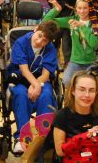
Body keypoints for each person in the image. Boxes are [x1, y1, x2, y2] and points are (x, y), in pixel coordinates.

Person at [6, 20, 60, 155]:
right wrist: (34, 85)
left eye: (45, 40)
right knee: (20, 94)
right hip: (20, 78)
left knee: (47, 95)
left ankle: (43, 138)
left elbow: (46, 74)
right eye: (40, 35)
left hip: (41, 80)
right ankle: (22, 138)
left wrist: (37, 85)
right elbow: (23, 70)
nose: (40, 41)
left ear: (49, 42)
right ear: (36, 29)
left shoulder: (50, 48)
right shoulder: (21, 43)